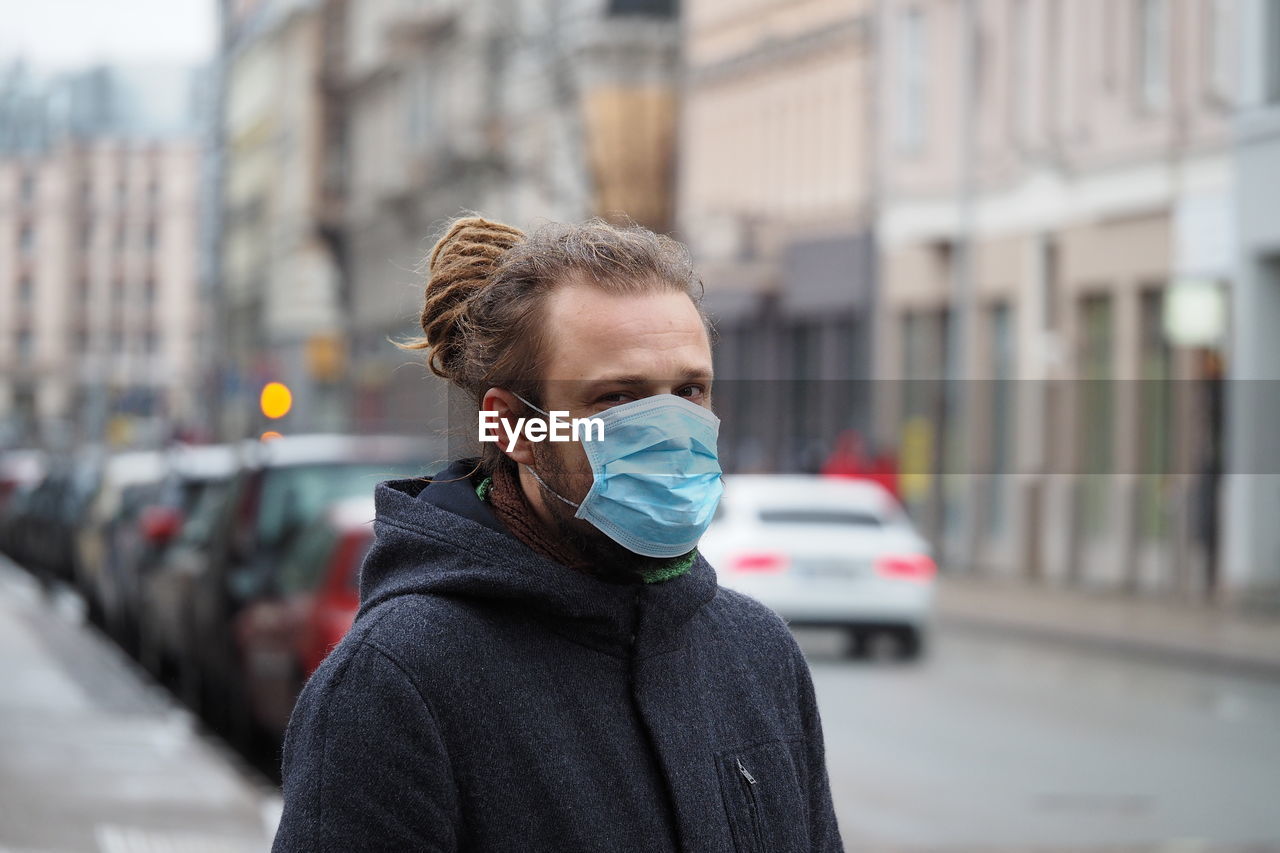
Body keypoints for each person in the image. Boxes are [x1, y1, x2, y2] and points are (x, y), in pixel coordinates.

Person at [271, 215, 845, 852]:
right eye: (616, 399)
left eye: (689, 390)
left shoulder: (759, 656)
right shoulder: (398, 682)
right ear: (514, 429)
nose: (669, 429)